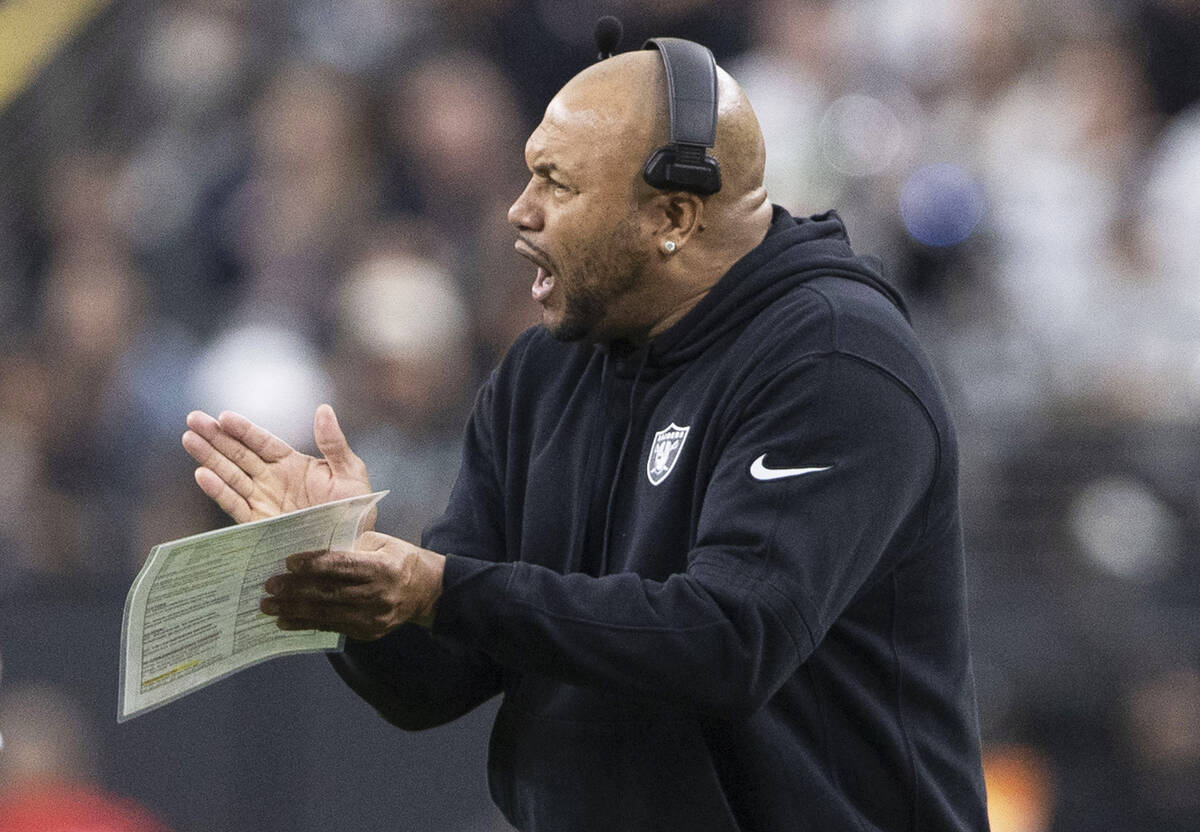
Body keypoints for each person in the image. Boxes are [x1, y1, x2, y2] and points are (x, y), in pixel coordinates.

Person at [181, 47, 989, 831]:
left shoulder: (835, 358)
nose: (519, 209)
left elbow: (731, 638)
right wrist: (347, 572)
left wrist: (440, 589)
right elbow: (438, 680)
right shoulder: (543, 372)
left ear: (672, 217)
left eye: (556, 183)